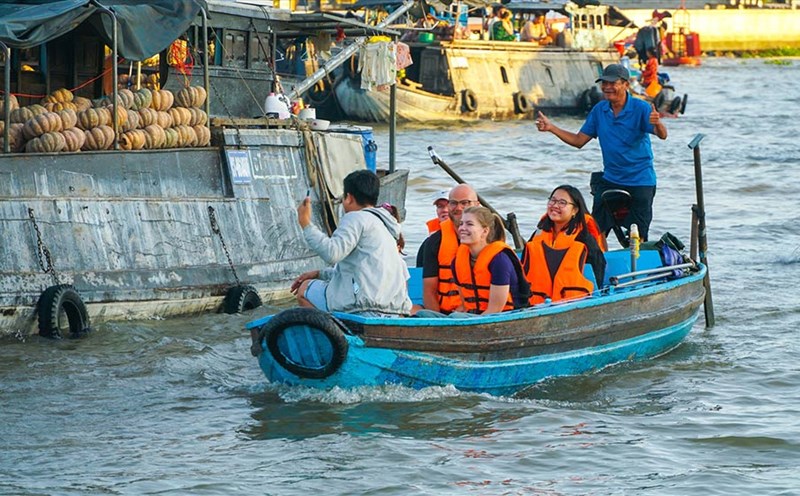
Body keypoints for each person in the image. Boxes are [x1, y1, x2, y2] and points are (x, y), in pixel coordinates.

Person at [535, 63, 667, 242]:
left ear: (626, 85)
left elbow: (663, 135)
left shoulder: (641, 108)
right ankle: (599, 265)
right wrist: (551, 128)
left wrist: (658, 123)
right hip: (611, 179)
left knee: (638, 235)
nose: (607, 87)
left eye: (613, 83)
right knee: (595, 231)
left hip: (641, 180)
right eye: (604, 83)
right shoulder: (599, 110)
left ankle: (635, 265)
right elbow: (578, 141)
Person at [290, 169, 412, 316]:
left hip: (364, 308)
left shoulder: (355, 218)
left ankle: (334, 333)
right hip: (393, 311)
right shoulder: (387, 225)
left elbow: (332, 253)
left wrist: (306, 224)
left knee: (304, 289)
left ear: (348, 198)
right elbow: (359, 272)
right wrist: (318, 273)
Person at [522, 186, 606, 305]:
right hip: (535, 303)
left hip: (573, 303)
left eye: (562, 203)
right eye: (553, 200)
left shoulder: (584, 238)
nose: (555, 206)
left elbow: (598, 270)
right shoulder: (538, 234)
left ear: (575, 210)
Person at [452, 206, 530, 315]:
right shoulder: (458, 260)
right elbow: (465, 304)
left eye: (469, 224)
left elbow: (495, 310)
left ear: (485, 231)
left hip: (502, 318)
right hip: (473, 317)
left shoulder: (499, 260)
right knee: (424, 314)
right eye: (461, 223)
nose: (462, 228)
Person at [419, 183, 479, 313]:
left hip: (482, 312)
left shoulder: (489, 239)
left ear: (477, 205)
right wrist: (441, 322)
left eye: (465, 203)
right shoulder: (434, 242)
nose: (458, 208)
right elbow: (429, 291)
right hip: (446, 315)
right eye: (453, 203)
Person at [416, 190, 451, 267]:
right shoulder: (428, 242)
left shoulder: (466, 237)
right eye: (440, 206)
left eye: (449, 205)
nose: (444, 210)